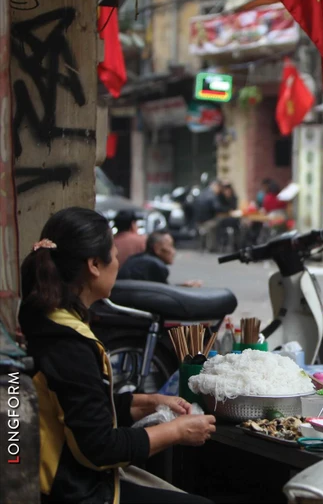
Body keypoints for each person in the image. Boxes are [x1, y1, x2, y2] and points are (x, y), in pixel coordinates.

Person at [19, 207, 215, 504]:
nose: (118, 265)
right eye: (115, 256)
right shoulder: (69, 343)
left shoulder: (48, 319)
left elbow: (81, 409)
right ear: (94, 264)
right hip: (75, 490)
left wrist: (147, 403)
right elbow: (99, 448)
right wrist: (177, 431)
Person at [118, 230, 202, 287]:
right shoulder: (155, 265)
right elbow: (164, 294)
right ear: (157, 248)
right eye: (171, 246)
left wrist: (182, 286)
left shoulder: (135, 259)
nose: (174, 251)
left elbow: (161, 289)